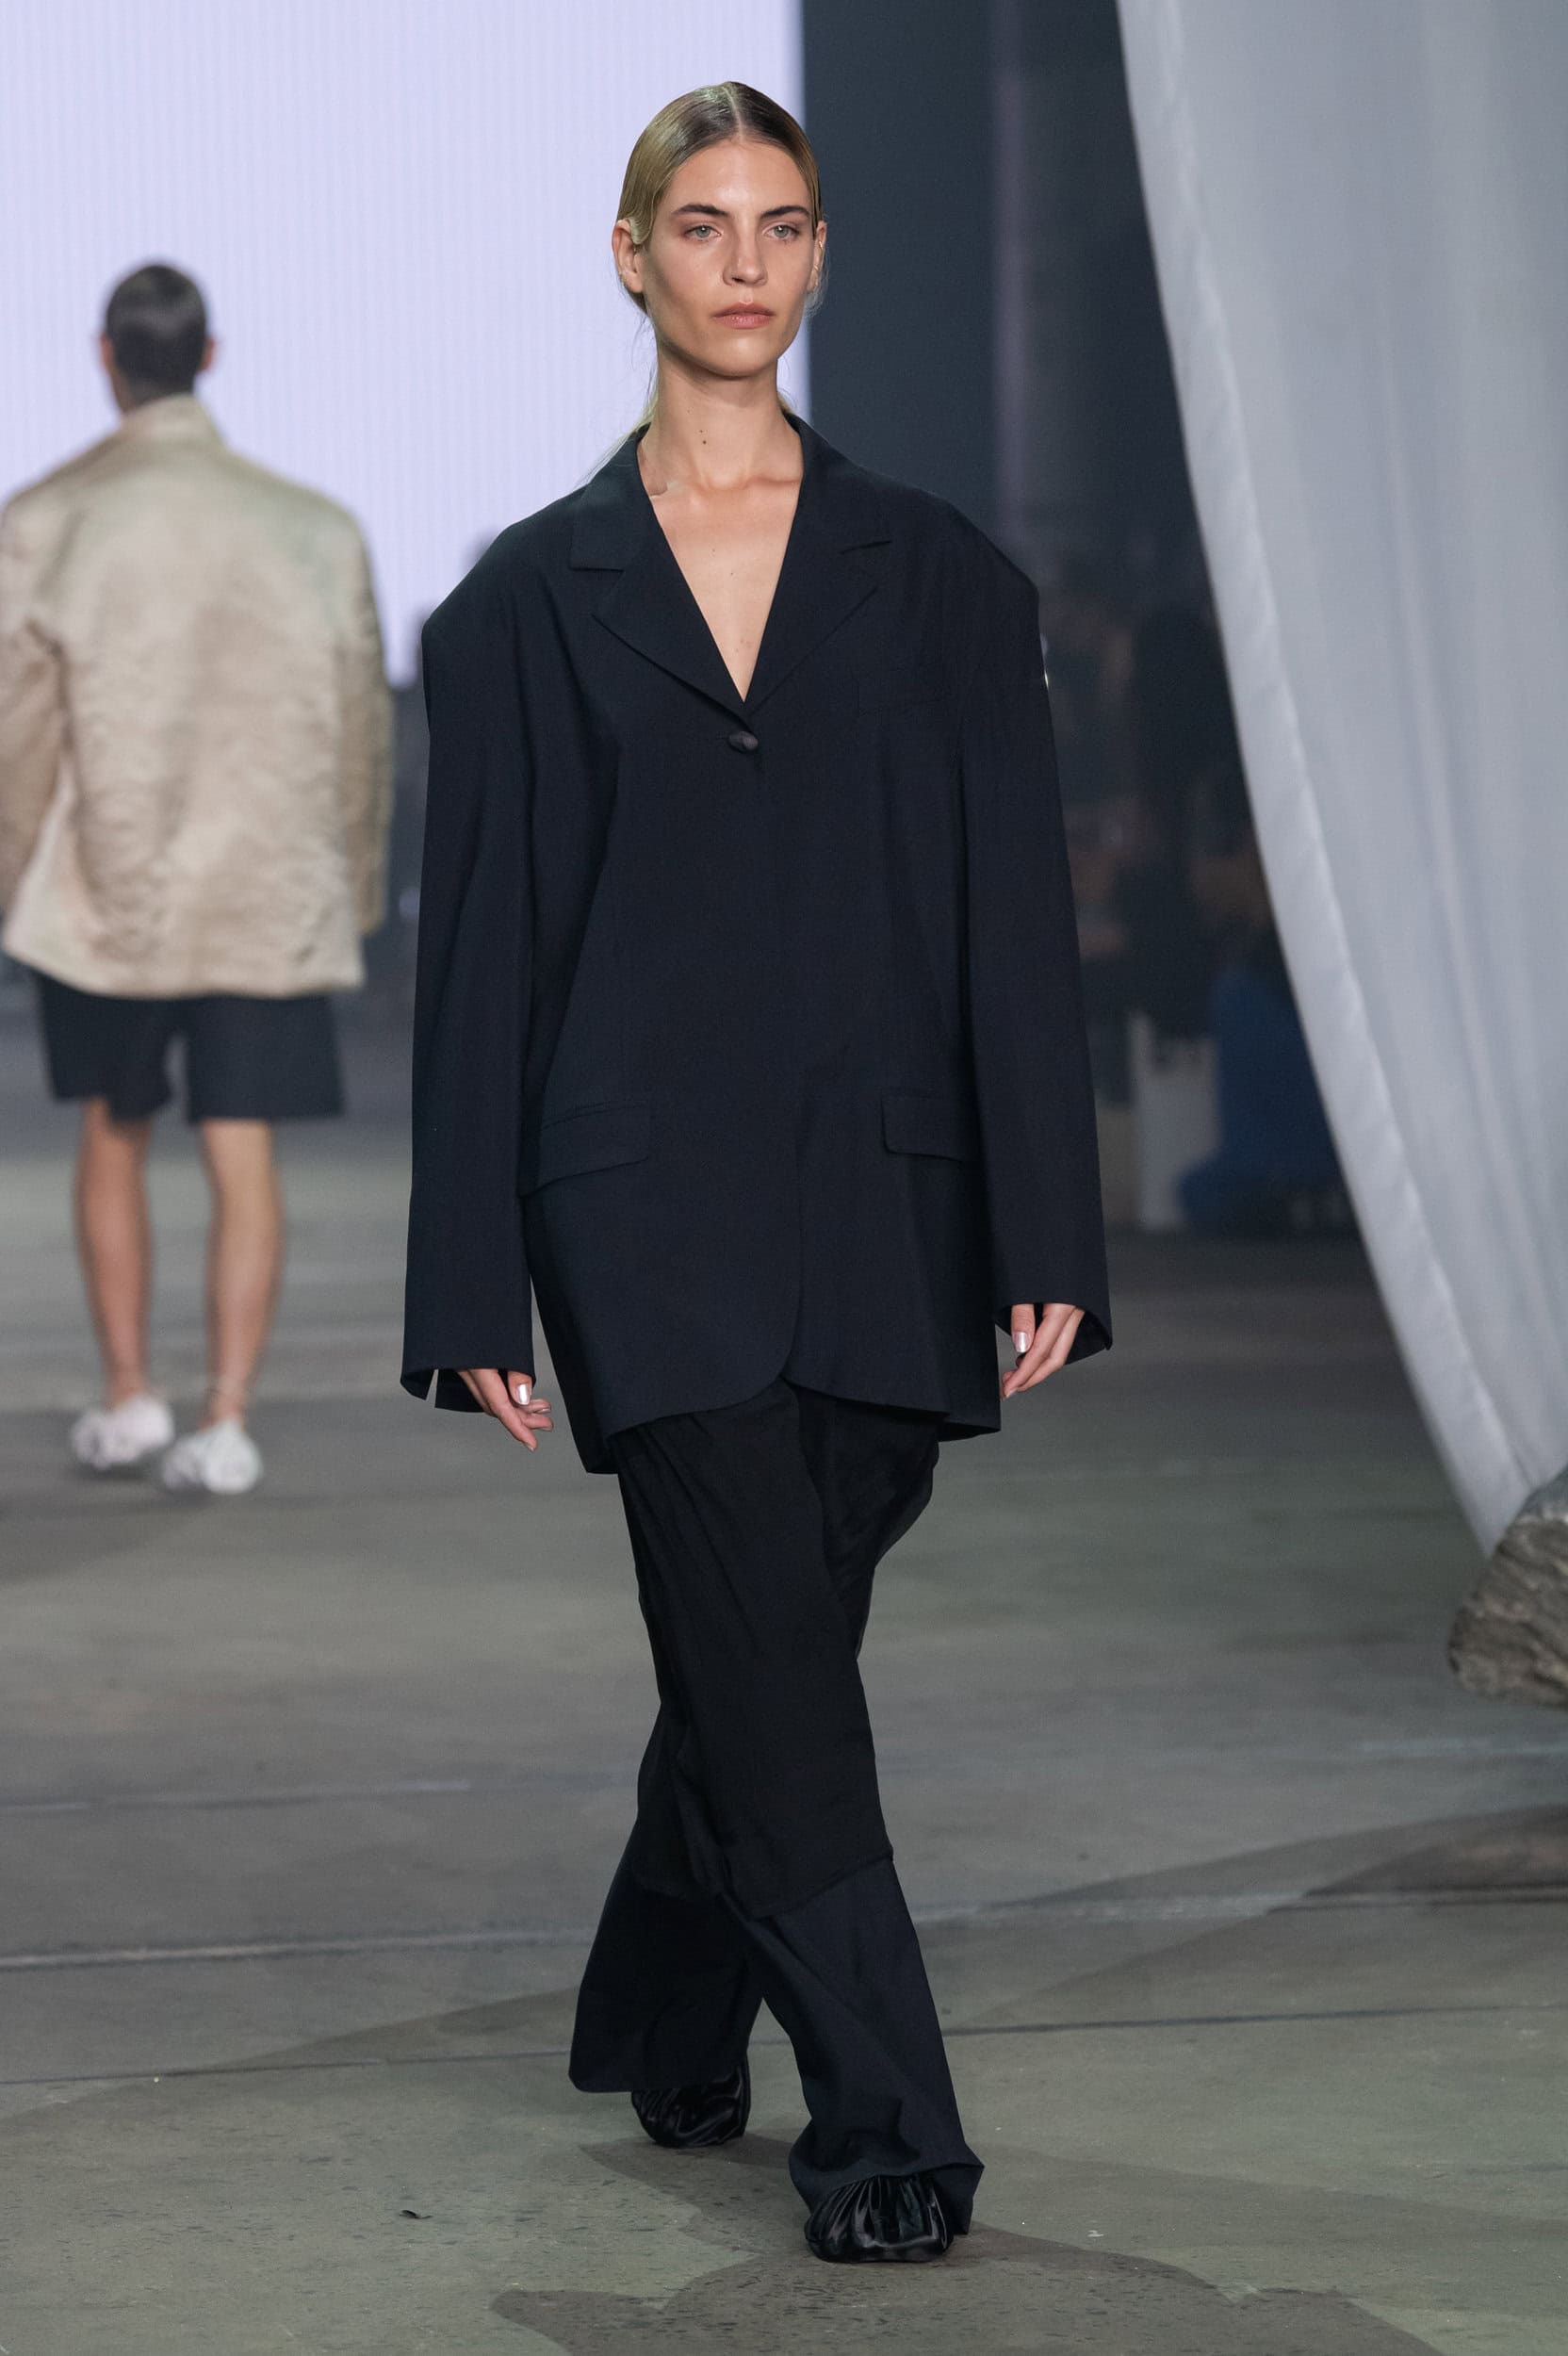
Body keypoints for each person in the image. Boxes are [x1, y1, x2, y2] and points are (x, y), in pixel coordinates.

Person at [401, 85, 1111, 2264]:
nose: (742, 263)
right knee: (776, 1666)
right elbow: (486, 947)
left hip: (890, 1190)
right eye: (699, 224)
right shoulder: (525, 603)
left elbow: (1010, 917)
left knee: (767, 1636)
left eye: (779, 225)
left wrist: (1046, 1220)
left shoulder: (943, 578)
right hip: (637, 1203)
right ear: (631, 256)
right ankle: (888, 2128)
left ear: (815, 258)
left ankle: (660, 1989)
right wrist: (467, 1281)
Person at [0, 263, 392, 1493]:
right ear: (210, 355)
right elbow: (361, 728)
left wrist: (16, 877)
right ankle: (226, 1418)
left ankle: (130, 1396)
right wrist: (354, 883)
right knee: (241, 1141)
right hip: (264, 886)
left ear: (105, 356)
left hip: (106, 885)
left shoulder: (47, 520)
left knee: (111, 1130)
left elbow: (17, 732)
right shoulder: (314, 527)